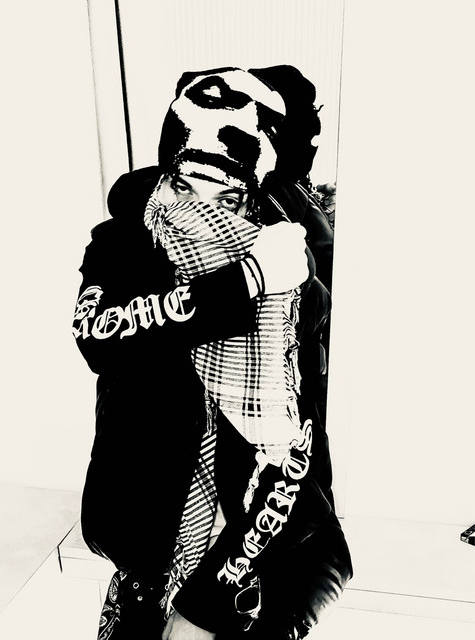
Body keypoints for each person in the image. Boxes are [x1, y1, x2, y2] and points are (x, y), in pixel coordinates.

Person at [73, 66, 352, 640]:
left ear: (255, 196)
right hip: (147, 560)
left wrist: (207, 606)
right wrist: (244, 280)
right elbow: (98, 337)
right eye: (184, 186)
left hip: (264, 558)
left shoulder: (291, 278)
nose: (199, 212)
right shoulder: (126, 241)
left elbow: (292, 452)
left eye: (226, 196)